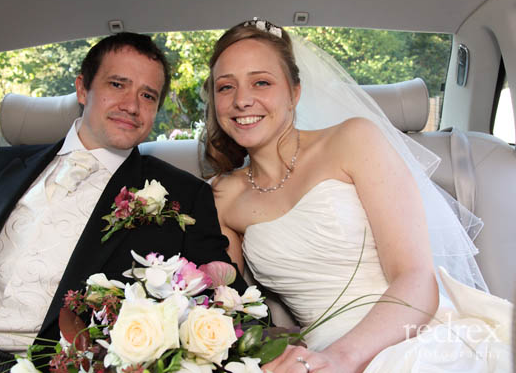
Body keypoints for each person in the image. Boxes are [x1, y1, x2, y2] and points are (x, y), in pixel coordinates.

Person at [0, 32, 246, 373]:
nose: (132, 105)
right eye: (117, 85)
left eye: (147, 96)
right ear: (82, 89)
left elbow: (223, 290)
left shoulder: (182, 195)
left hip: (39, 363)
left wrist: (265, 348)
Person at [203, 19, 513, 372]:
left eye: (261, 82)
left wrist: (341, 358)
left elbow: (416, 277)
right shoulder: (222, 197)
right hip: (312, 360)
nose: (242, 100)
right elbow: (226, 310)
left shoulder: (353, 140)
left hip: (413, 337)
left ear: (294, 93)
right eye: (226, 87)